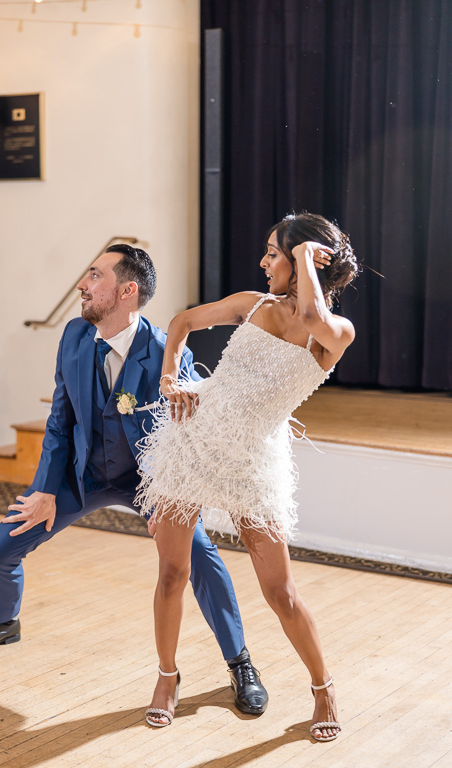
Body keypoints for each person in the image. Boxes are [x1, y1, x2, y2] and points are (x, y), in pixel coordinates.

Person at [0, 244, 268, 716]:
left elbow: (189, 438)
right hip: (85, 476)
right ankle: (4, 622)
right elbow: (60, 420)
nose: (82, 283)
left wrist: (171, 502)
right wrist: (43, 490)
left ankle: (240, 662)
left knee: (200, 556)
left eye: (94, 275)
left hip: (153, 482)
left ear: (126, 291)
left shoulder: (165, 351)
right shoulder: (75, 336)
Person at [135, 213, 358, 740]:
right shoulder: (249, 303)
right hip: (193, 440)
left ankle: (323, 686)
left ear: (308, 260)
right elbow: (183, 322)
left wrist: (303, 258)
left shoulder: (335, 333)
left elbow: (311, 312)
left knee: (280, 592)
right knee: (171, 574)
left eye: (274, 253)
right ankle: (167, 678)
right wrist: (171, 377)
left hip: (254, 462)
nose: (263, 262)